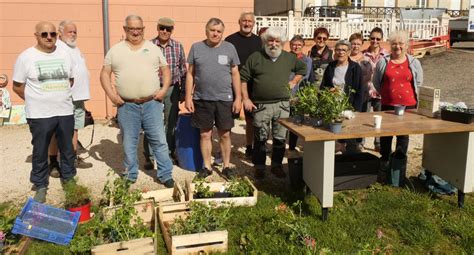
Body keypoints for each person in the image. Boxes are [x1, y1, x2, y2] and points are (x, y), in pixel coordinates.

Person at [100, 15, 175, 187]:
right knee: (129, 142)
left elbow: (166, 70)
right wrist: (112, 96)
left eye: (139, 29)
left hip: (152, 104)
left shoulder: (153, 48)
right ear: (125, 29)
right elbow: (104, 74)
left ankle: (165, 174)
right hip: (127, 106)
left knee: (159, 140)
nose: (135, 32)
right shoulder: (115, 50)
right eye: (131, 28)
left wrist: (163, 91)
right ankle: (130, 174)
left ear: (143, 29)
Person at [12, 21, 77, 202]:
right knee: (40, 150)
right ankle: (40, 184)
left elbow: (70, 80)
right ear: (36, 36)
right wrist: (35, 99)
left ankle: (69, 178)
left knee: (67, 148)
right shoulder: (26, 57)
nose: (49, 37)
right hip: (39, 114)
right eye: (44, 34)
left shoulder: (65, 54)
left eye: (53, 34)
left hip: (64, 111)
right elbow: (17, 86)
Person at [240, 27, 306, 179]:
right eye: (271, 40)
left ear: (282, 43)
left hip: (282, 105)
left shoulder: (289, 58)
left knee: (280, 139)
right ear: (265, 41)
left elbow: (302, 69)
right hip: (261, 106)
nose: (274, 44)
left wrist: (293, 82)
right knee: (260, 138)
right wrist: (246, 98)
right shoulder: (255, 57)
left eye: (277, 41)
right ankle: (259, 167)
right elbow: (243, 78)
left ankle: (276, 165)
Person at [185, 18, 241, 178]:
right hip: (202, 99)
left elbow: (235, 73)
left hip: (225, 99)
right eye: (212, 30)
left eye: (218, 31)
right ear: (206, 30)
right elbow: (190, 74)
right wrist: (188, 97)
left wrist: (238, 98)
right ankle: (207, 167)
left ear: (222, 33)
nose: (215, 33)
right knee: (205, 134)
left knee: (225, 134)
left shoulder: (229, 48)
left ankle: (226, 166)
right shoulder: (196, 48)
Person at [372, 30, 423, 180]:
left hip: (408, 105)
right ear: (390, 45)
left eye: (401, 43)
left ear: (406, 45)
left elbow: (419, 82)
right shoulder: (384, 61)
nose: (397, 46)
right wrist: (386, 93)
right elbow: (376, 81)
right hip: (388, 104)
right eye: (394, 43)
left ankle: (399, 169)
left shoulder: (413, 62)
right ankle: (385, 163)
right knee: (386, 135)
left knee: (403, 136)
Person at [48, 20, 93, 178]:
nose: (73, 34)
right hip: (64, 97)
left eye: (75, 31)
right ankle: (53, 162)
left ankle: (72, 159)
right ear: (60, 33)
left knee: (74, 129)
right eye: (70, 31)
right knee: (56, 130)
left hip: (78, 97)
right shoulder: (57, 48)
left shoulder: (74, 47)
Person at [143, 17, 187, 170]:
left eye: (168, 29)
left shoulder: (177, 46)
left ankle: (168, 152)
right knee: (151, 123)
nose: (164, 31)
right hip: (152, 89)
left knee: (171, 122)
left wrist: (183, 92)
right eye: (162, 28)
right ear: (157, 28)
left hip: (172, 89)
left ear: (172, 30)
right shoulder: (148, 46)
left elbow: (183, 70)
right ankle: (149, 156)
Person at [225, 12, 262, 159]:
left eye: (250, 21)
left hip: (252, 85)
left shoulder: (259, 41)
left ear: (253, 24)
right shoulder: (230, 40)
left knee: (250, 118)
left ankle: (249, 146)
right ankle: (225, 148)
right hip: (231, 83)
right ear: (239, 22)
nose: (247, 24)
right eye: (244, 21)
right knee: (227, 118)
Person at [320, 39, 364, 154]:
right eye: (338, 50)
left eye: (344, 50)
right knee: (333, 134)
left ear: (349, 52)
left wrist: (357, 110)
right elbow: (323, 85)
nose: (341, 52)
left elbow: (360, 90)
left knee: (349, 135)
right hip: (333, 106)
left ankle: (350, 161)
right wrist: (329, 90)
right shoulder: (330, 66)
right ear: (335, 51)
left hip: (349, 107)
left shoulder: (355, 68)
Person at [363, 27, 388, 152]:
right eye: (372, 38)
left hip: (379, 92)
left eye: (377, 38)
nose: (374, 41)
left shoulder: (386, 56)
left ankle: (378, 143)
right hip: (366, 91)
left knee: (379, 119)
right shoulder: (363, 55)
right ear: (369, 39)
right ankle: (361, 142)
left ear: (381, 39)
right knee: (364, 118)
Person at [287, 35, 313, 152]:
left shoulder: (307, 60)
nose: (296, 47)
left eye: (299, 45)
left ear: (302, 46)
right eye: (294, 44)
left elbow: (305, 75)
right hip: (284, 92)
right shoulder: (285, 57)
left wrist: (293, 83)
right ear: (290, 45)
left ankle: (292, 146)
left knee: (296, 119)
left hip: (298, 92)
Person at [348, 33, 373, 151]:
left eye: (358, 44)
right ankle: (346, 141)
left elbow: (368, 77)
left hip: (363, 94)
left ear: (362, 45)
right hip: (347, 94)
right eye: (353, 43)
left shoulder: (366, 60)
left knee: (361, 118)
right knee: (348, 118)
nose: (356, 46)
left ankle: (359, 142)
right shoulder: (345, 58)